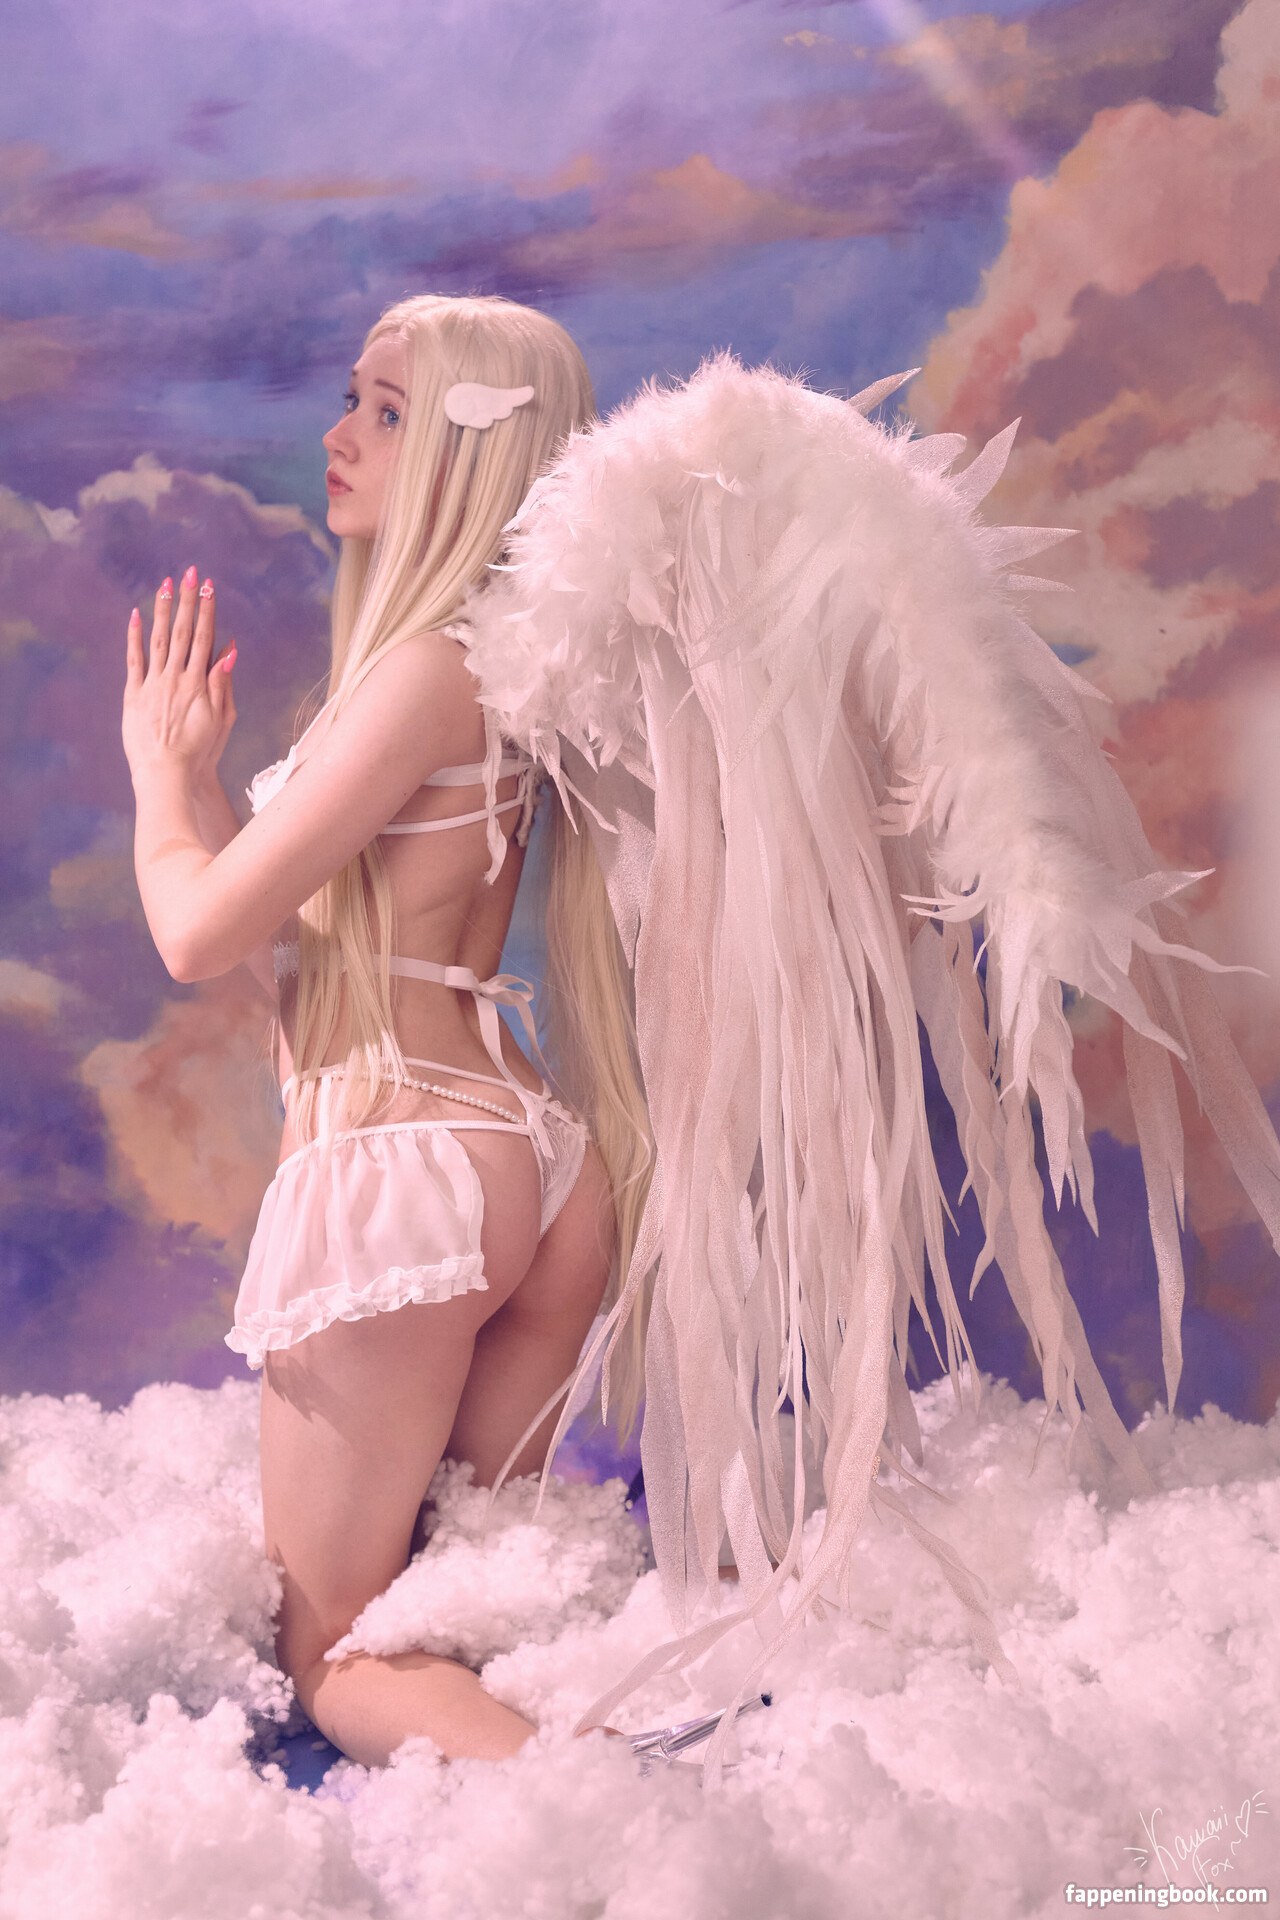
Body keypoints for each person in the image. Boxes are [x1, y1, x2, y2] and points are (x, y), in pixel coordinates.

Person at [122, 295, 650, 1765]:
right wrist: (214, 792)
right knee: (461, 1599)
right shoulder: (502, 671)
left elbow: (193, 935)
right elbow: (317, 956)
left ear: (475, 458)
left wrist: (156, 779)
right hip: (536, 1171)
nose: (340, 435)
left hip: (405, 1173)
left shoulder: (424, 672)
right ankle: (594, 1776)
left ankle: (604, 1812)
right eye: (351, 398)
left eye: (389, 412)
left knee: (333, 1655)